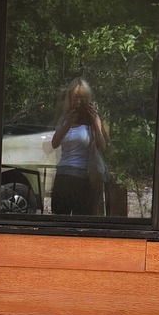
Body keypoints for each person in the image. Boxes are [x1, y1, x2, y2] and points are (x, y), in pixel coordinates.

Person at [49, 77, 108, 215]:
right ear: (69, 99)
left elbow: (102, 146)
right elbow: (54, 143)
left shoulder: (93, 120)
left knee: (80, 220)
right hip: (63, 175)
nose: (78, 102)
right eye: (75, 98)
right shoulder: (65, 119)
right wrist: (68, 124)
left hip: (82, 177)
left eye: (82, 98)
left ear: (88, 100)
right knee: (59, 218)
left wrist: (94, 121)